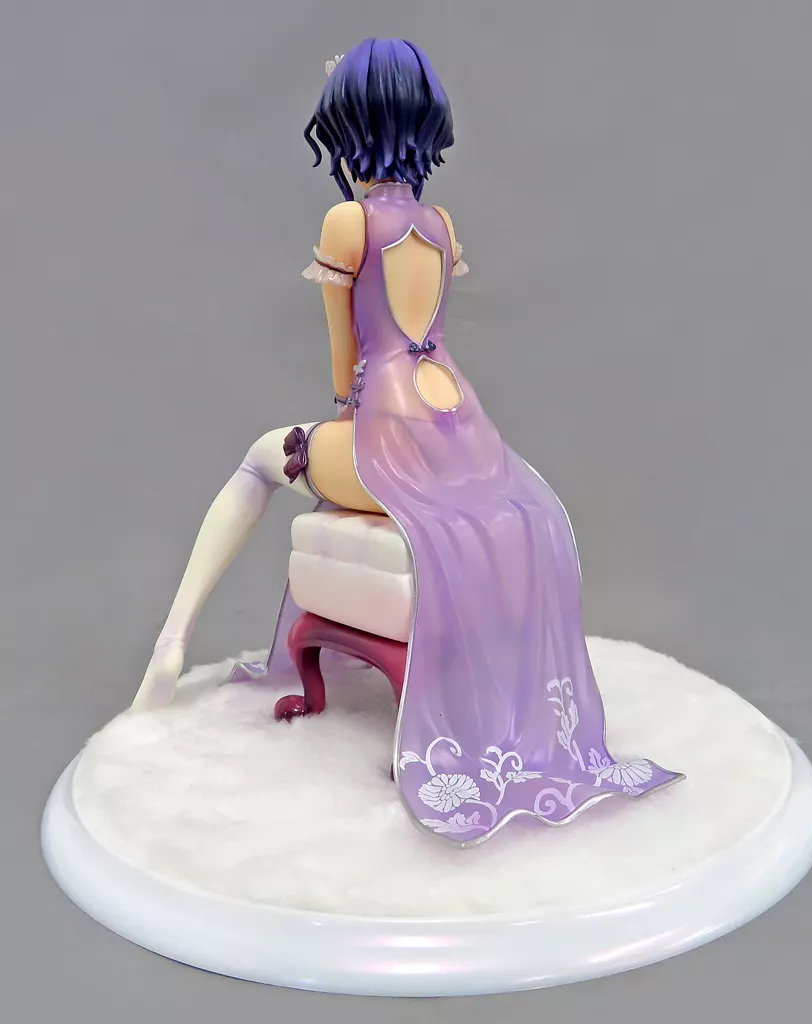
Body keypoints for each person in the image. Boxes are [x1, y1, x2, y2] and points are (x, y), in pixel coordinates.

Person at [133, 38, 680, 845]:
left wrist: (335, 441)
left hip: (386, 438)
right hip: (462, 433)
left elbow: (345, 369)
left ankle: (170, 643)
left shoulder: (347, 222)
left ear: (348, 123)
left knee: (260, 457)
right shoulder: (440, 224)